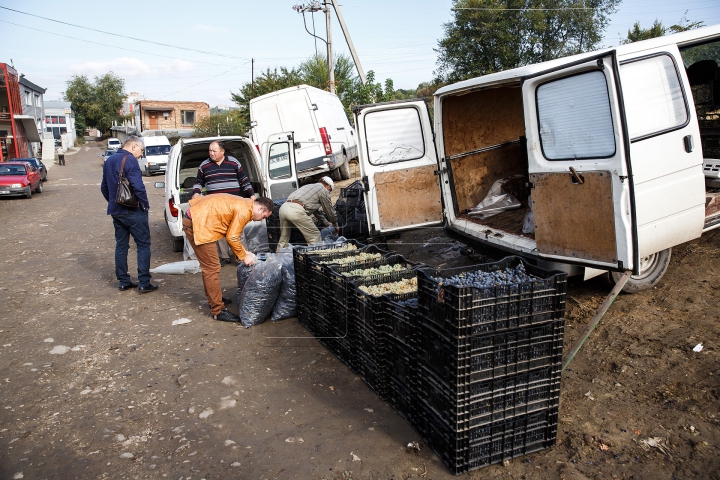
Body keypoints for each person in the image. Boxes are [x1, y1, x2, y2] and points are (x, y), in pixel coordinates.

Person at [183, 194, 274, 322]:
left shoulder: (246, 203)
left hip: (199, 219)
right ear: (260, 209)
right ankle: (217, 310)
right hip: (198, 223)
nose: (261, 220)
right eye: (264, 217)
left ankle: (215, 298)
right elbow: (232, 237)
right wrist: (243, 257)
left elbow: (232, 233)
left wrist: (243, 251)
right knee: (212, 268)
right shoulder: (244, 211)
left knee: (211, 267)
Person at [100, 136, 158, 293]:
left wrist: (114, 201)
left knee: (121, 245)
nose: (141, 154)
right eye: (141, 150)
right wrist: (144, 204)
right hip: (133, 210)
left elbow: (104, 188)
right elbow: (138, 186)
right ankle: (144, 282)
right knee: (143, 244)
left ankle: (124, 281)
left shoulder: (110, 160)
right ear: (133, 146)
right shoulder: (130, 160)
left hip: (116, 211)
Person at [192, 140, 255, 267]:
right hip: (216, 208)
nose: (211, 153)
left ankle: (240, 256)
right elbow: (198, 182)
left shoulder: (233, 162)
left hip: (234, 205)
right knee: (220, 233)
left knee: (238, 231)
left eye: (214, 151)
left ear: (222, 151)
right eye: (210, 150)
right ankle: (224, 257)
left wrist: (251, 195)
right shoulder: (204, 165)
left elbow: (244, 180)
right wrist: (196, 193)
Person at [277, 176, 339, 249]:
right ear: (328, 186)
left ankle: (279, 257)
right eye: (330, 190)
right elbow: (329, 210)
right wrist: (335, 225)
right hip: (295, 211)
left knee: (284, 239)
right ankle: (315, 258)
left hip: (283, 208)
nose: (329, 192)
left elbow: (315, 210)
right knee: (315, 235)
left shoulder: (310, 187)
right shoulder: (323, 190)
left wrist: (325, 222)